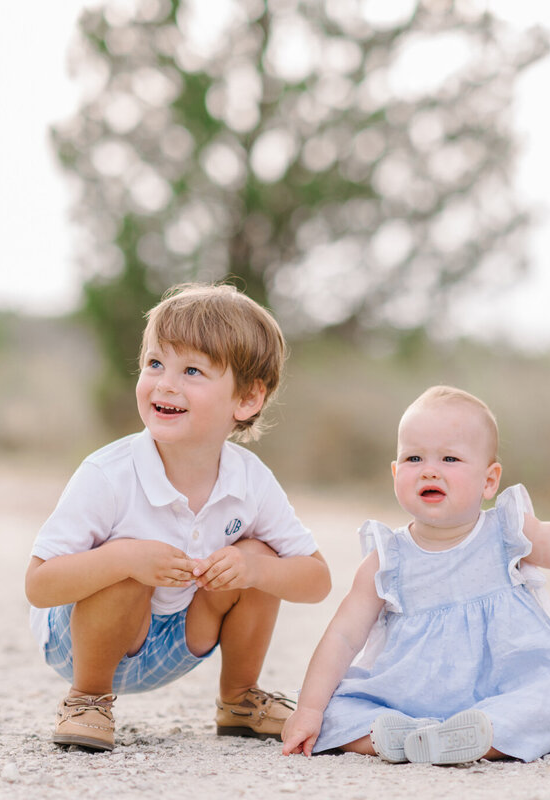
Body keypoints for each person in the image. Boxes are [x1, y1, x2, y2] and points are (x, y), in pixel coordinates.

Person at [25, 283, 331, 752]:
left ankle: (238, 699)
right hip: (80, 638)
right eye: (154, 364)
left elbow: (317, 580)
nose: (166, 383)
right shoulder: (108, 475)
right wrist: (125, 557)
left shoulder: (249, 480)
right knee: (124, 565)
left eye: (192, 370)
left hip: (179, 639)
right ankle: (86, 700)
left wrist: (256, 569)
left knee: (258, 553)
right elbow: (40, 585)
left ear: (247, 399)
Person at [280, 386, 550, 764]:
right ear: (395, 472)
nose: (429, 469)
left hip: (503, 689)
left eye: (450, 458)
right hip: (407, 696)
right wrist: (309, 709)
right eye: (413, 457)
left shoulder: (507, 532)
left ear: (489, 481)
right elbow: (343, 636)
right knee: (335, 708)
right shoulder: (386, 558)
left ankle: (477, 736)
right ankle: (393, 735)